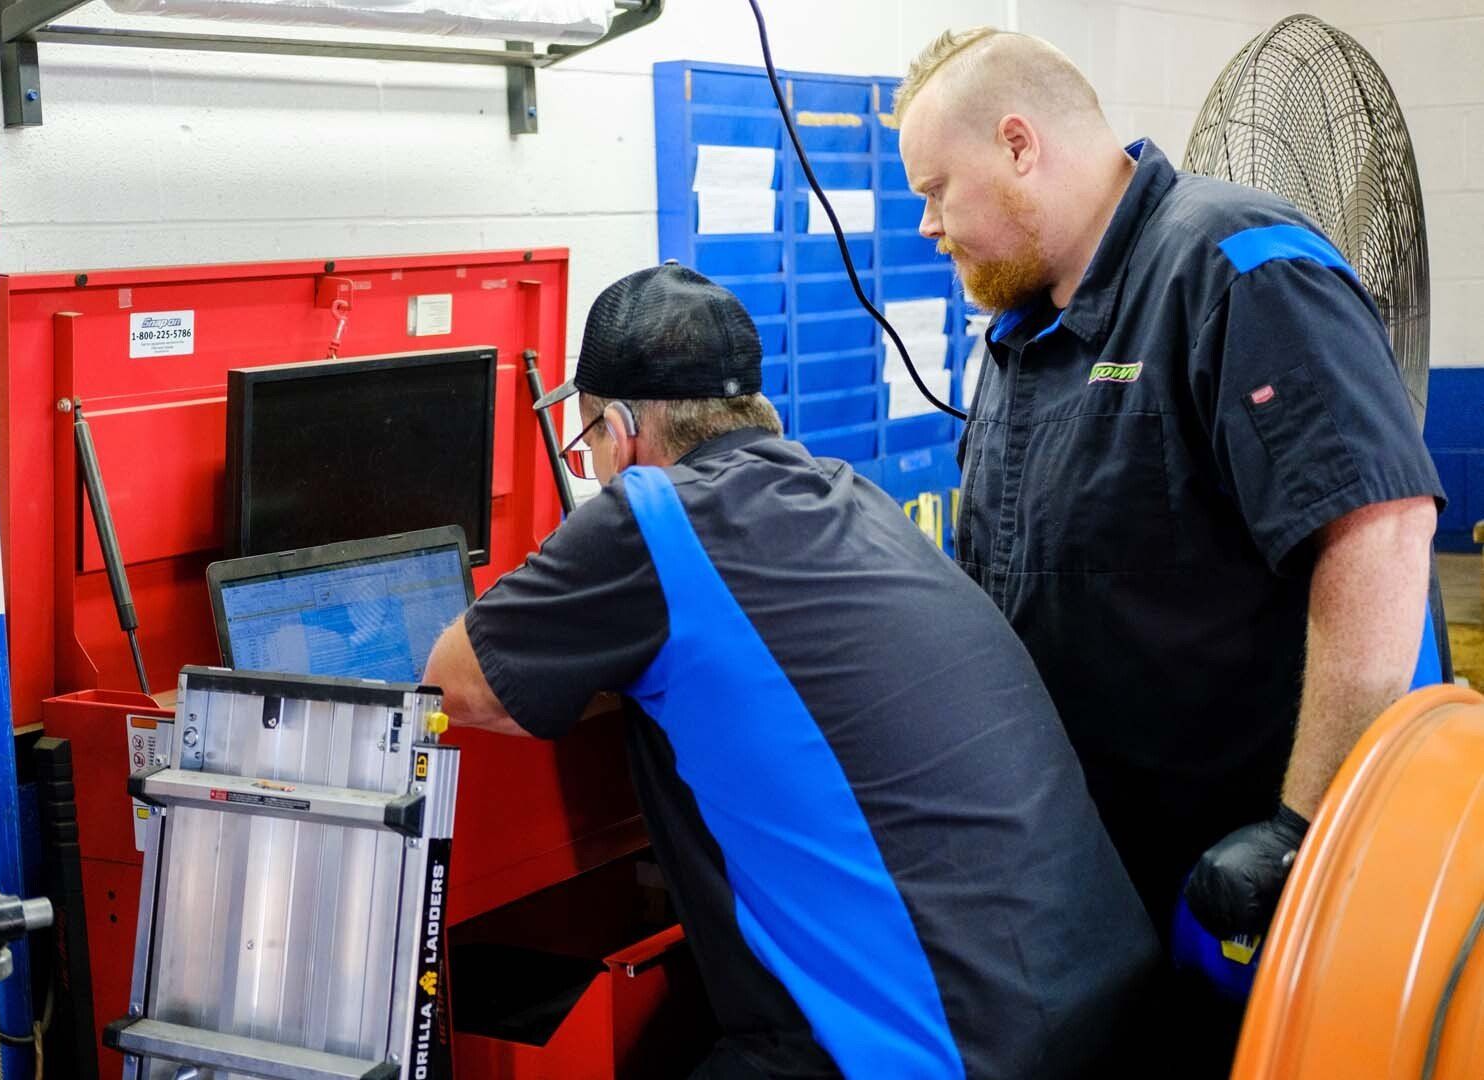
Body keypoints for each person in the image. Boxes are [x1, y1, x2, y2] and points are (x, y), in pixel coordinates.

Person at [422, 262, 1157, 1080]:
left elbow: (453, 682)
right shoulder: (854, 495)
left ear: (622, 429)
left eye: (589, 441)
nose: (595, 468)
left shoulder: (654, 516)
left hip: (949, 1048)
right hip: (1108, 1004)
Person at [894, 25, 1444, 1069]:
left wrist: (1300, 831)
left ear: (1019, 145)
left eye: (936, 190)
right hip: (1094, 880)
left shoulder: (1237, 267)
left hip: (1238, 885)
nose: (928, 225)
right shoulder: (1021, 336)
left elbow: (1379, 526)